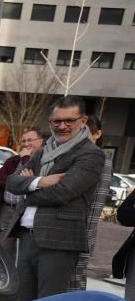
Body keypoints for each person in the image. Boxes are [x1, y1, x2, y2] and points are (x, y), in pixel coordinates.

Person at [6, 96, 105, 301]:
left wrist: (28, 186)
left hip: (58, 242)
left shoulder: (91, 154)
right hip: (26, 237)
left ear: (83, 121)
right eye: (56, 121)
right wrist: (41, 181)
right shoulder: (44, 150)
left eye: (69, 120)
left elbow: (63, 192)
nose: (62, 126)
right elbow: (12, 182)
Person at [68, 114, 113, 291]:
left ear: (97, 134)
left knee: (75, 282)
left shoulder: (102, 161)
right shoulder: (70, 156)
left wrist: (84, 240)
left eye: (86, 132)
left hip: (81, 234)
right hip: (59, 231)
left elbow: (96, 204)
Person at [0, 128, 44, 265]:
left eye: (30, 140)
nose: (26, 144)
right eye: (23, 141)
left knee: (26, 252)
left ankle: (22, 281)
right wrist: (15, 181)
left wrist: (25, 158)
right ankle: (7, 281)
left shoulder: (44, 161)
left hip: (27, 210)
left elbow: (32, 182)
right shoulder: (13, 160)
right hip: (8, 210)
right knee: (4, 249)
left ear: (41, 141)